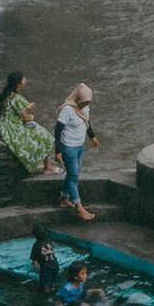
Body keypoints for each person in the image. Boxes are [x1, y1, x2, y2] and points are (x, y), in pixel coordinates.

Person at [0, 72, 59, 175]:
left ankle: (42, 162)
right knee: (43, 134)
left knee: (36, 131)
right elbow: (26, 119)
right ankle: (47, 166)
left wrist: (26, 108)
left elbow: (14, 109)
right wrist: (31, 116)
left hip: (5, 126)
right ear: (18, 84)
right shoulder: (17, 98)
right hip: (13, 128)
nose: (25, 80)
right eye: (23, 79)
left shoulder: (7, 95)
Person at [55, 84, 98, 221]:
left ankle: (64, 198)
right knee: (74, 176)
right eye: (83, 102)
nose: (85, 104)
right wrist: (58, 151)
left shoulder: (84, 107)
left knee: (74, 173)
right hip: (69, 147)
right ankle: (79, 208)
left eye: (88, 102)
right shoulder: (67, 110)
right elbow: (58, 131)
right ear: (78, 98)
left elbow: (86, 121)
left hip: (80, 145)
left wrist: (92, 136)